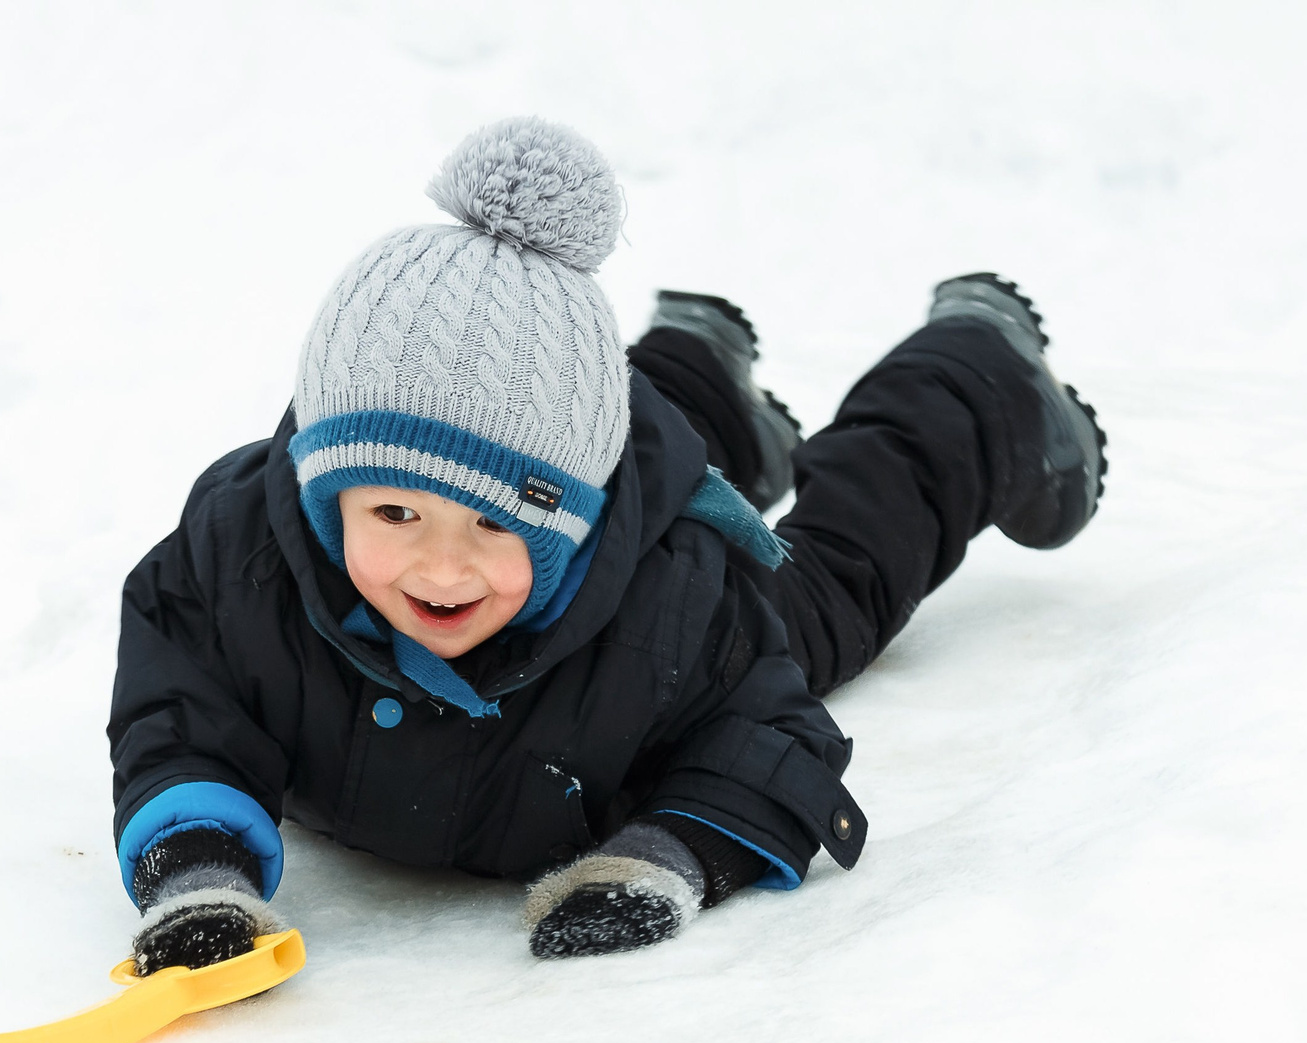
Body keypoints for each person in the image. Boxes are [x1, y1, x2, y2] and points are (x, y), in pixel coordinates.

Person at [106, 116, 1105, 967]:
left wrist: (670, 856)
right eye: (394, 516)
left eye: (496, 526)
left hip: (653, 585)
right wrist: (197, 866)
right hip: (576, 469)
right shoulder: (245, 566)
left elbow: (764, 742)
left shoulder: (677, 610)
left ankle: (972, 382)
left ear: (575, 524)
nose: (442, 568)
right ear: (325, 500)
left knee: (829, 588)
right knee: (529, 436)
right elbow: (181, 707)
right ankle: (696, 370)